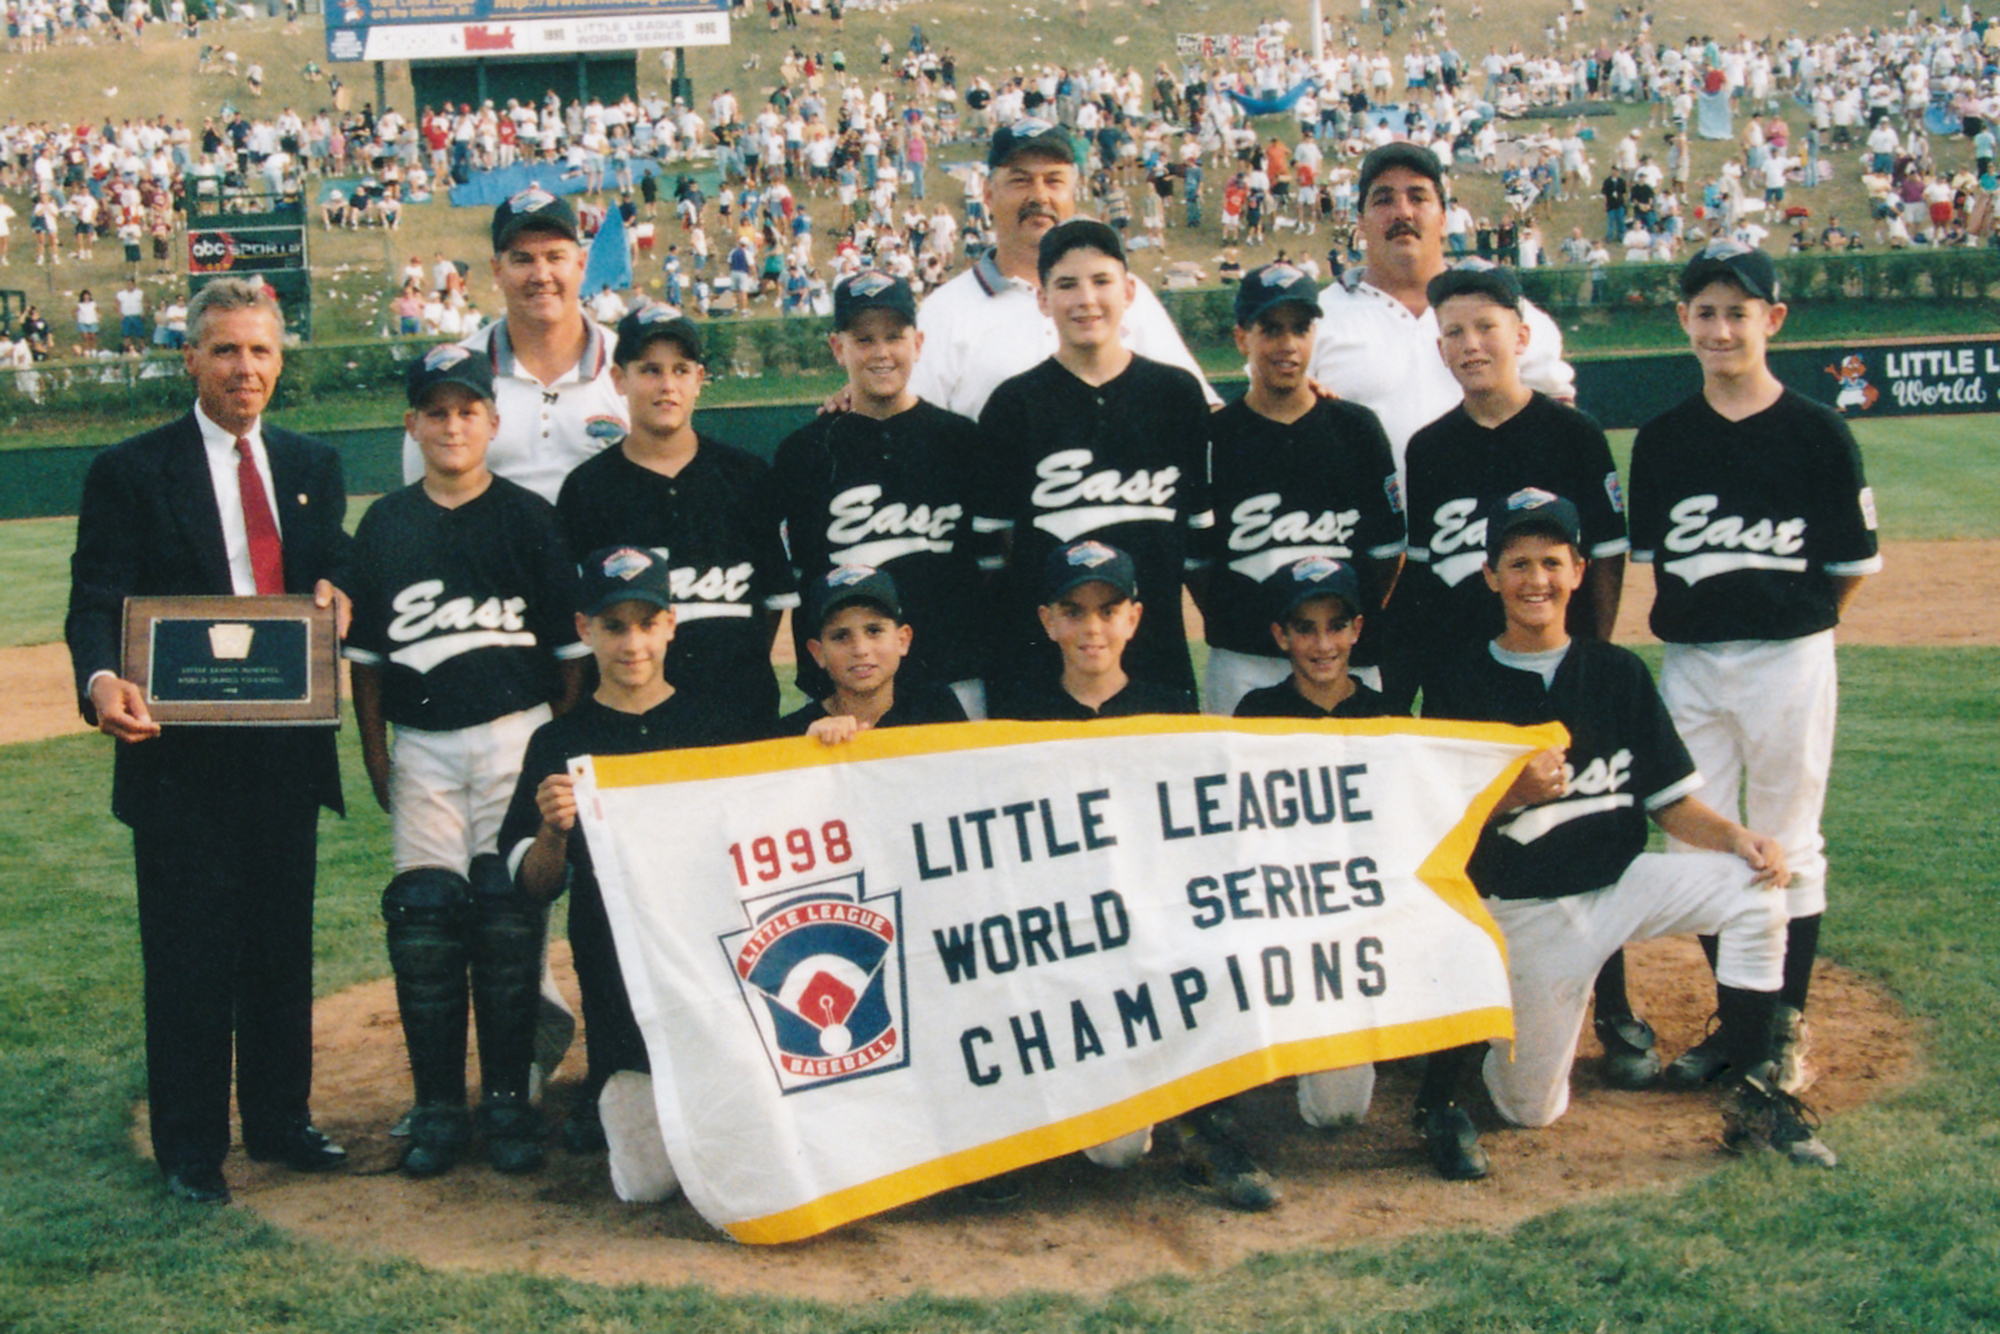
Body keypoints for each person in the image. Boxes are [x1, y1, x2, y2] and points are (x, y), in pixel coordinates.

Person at [1422, 489, 1837, 1170]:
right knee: (1528, 1111)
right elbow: (1440, 826)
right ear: (1491, 575)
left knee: (1753, 884)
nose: (1537, 581)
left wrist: (1738, 838)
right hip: (1530, 911)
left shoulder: (1616, 671)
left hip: (1621, 885)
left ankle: (1757, 1091)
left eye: (1552, 562)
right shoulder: (1461, 681)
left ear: (1579, 571)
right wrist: (1508, 797)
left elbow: (1669, 803)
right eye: (1519, 564)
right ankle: (1500, 1042)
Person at [64, 278, 351, 1206]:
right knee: (188, 956)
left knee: (279, 947)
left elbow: (327, 574)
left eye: (261, 351)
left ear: (281, 360)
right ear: (190, 358)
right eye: (226, 350)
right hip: (179, 758)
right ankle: (191, 1147)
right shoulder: (131, 469)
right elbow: (97, 595)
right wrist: (102, 679)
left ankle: (279, 1120)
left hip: (281, 752)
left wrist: (342, 593)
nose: (245, 369)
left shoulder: (312, 461)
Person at [1630, 243, 1881, 1096]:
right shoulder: (1663, 440)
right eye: (1706, 310)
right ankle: (1738, 1029)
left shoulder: (1818, 431)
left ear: (1772, 320)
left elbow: (1847, 569)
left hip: (1788, 661)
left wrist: (1794, 635)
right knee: (1698, 840)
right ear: (1684, 321)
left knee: (1788, 842)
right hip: (1694, 660)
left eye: (1739, 311)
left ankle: (1780, 1032)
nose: (1721, 326)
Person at [344, 346, 591, 1179]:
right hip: (422, 741)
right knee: (424, 917)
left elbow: (567, 655)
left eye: (467, 410)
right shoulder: (385, 523)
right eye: (436, 412)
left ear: (493, 420)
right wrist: (377, 755)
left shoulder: (528, 518)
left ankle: (510, 1103)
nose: (452, 425)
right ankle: (439, 1108)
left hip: (515, 733)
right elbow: (369, 663)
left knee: (507, 913)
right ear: (411, 424)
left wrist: (554, 741)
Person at [499, 546, 736, 1201]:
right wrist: (552, 829)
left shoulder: (716, 727)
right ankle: (613, 1085)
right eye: (613, 626)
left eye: (645, 622)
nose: (631, 642)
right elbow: (533, 883)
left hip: (709, 957)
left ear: (670, 624)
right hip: (616, 963)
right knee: (649, 1183)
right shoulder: (558, 742)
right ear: (584, 630)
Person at [979, 219, 1212, 710]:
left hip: (1158, 652)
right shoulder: (1013, 404)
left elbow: (1196, 543)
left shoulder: (1176, 394)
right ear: (1043, 299)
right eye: (1067, 284)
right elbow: (996, 555)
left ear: (1129, 291)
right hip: (1048, 664)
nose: (1086, 298)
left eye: (1101, 281)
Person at [558, 305, 795, 741]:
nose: (667, 385)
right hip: (633, 731)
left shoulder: (747, 476)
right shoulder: (586, 490)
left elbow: (771, 605)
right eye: (650, 370)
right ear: (618, 380)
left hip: (740, 718)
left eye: (681, 369)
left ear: (699, 380)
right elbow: (581, 623)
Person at [773, 271, 1000, 716]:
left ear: (917, 342)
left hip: (954, 679)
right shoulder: (804, 452)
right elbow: (802, 581)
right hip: (845, 695)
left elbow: (991, 568)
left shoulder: (961, 441)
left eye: (894, 337)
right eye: (864, 339)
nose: (881, 353)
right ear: (838, 348)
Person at [907, 119, 1216, 421]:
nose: (1039, 195)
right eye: (1020, 180)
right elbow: (919, 438)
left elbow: (1201, 409)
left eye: (1054, 180)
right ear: (987, 194)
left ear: (1073, 190)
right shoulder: (944, 311)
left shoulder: (1119, 293)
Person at [1200, 262, 1403, 717]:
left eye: (1300, 328)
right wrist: (1239, 617)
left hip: (1345, 661)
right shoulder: (1215, 437)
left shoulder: (1357, 429)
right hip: (1245, 659)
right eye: (1270, 329)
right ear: (1242, 338)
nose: (1287, 345)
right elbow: (1199, 566)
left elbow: (1387, 556)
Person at [401, 188, 628, 505]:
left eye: (555, 257)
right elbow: (421, 503)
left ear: (581, 263)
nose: (541, 274)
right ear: (497, 270)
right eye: (522, 259)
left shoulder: (631, 365)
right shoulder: (455, 372)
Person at [774, 566, 969, 739]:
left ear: (902, 640)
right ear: (818, 653)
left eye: (874, 631)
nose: (860, 649)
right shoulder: (794, 731)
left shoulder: (936, 710)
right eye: (841, 636)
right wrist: (807, 750)